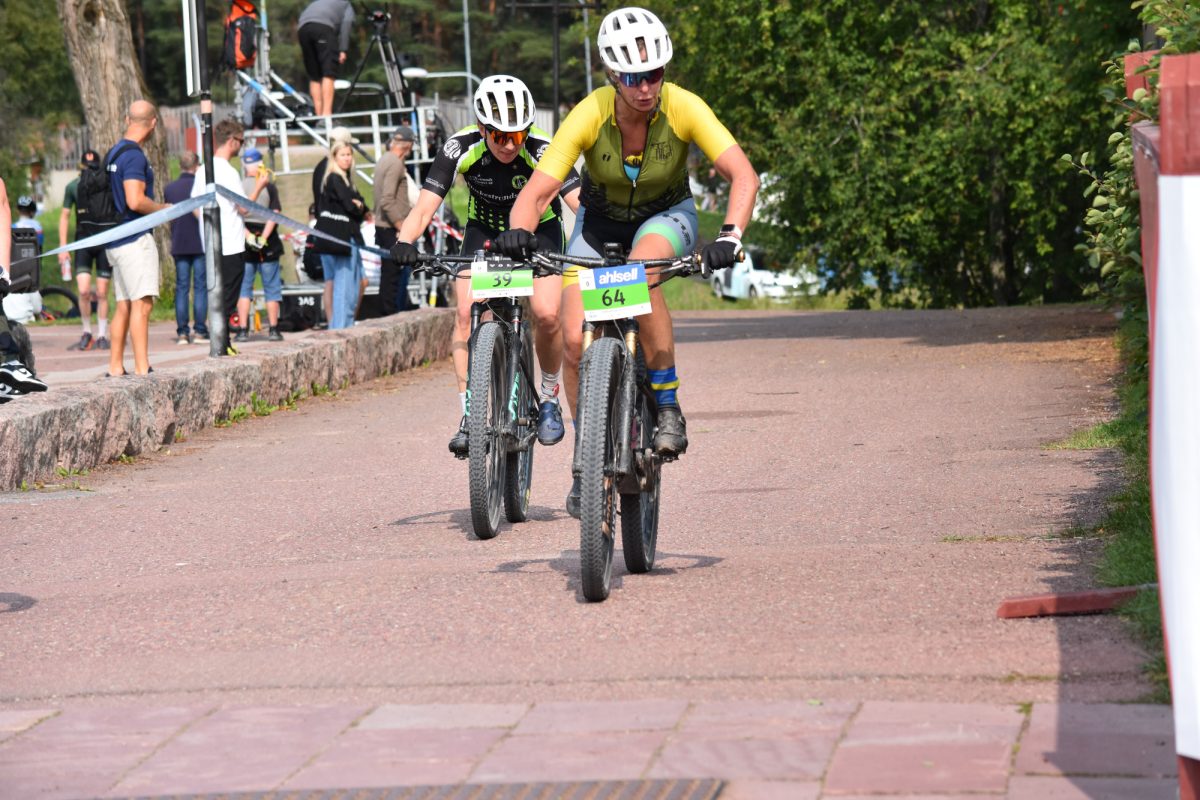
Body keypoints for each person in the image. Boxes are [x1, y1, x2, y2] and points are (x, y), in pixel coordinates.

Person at [497, 7, 760, 514]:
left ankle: (667, 403)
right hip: (598, 224)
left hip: (666, 216)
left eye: (654, 74)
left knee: (640, 274)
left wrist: (731, 236)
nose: (646, 87)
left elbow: (743, 175)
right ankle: (588, 456)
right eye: (634, 78)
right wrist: (519, 232)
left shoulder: (683, 106)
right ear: (613, 76)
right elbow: (537, 191)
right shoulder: (590, 112)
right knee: (573, 338)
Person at [391, 74, 581, 457]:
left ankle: (548, 397)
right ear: (481, 128)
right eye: (500, 136)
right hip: (486, 231)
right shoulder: (460, 147)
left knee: (547, 314)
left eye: (518, 135)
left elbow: (579, 201)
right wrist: (405, 242)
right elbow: (424, 208)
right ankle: (469, 415)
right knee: (465, 313)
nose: (510, 145)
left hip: (539, 232)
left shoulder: (542, 148)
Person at [105, 99, 173, 377]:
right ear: (153, 123)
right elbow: (135, 200)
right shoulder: (135, 156)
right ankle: (143, 368)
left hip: (115, 239)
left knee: (123, 305)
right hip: (134, 238)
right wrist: (163, 210)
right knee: (142, 304)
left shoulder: (114, 153)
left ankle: (115, 366)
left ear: (127, 120)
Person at [191, 119, 268, 354]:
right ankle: (222, 343)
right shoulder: (228, 171)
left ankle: (222, 342)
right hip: (231, 244)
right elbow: (244, 208)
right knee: (228, 296)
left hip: (210, 242)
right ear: (232, 141)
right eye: (241, 142)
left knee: (217, 293)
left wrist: (208, 226)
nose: (241, 147)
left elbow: (195, 207)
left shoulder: (203, 170)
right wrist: (259, 186)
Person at [0, 177, 49, 402]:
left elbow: (2, 203)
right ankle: (8, 363)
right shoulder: (36, 227)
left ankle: (8, 363)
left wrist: (3, 272)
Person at [59, 150, 113, 351]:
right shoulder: (73, 186)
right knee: (83, 291)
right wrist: (63, 247)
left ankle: (102, 334)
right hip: (82, 242)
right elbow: (65, 216)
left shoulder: (106, 185)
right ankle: (87, 331)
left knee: (102, 292)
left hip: (104, 242)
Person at [314, 140, 366, 329]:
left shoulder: (346, 178)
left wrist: (358, 204)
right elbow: (350, 205)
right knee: (344, 286)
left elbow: (360, 202)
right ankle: (340, 328)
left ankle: (344, 325)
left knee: (352, 284)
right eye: (342, 155)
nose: (347, 158)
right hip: (340, 238)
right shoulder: (335, 178)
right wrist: (357, 205)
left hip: (344, 237)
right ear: (334, 157)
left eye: (349, 154)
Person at [236, 148, 284, 342]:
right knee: (271, 287)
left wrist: (248, 235)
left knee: (244, 287)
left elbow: (235, 215)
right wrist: (263, 237)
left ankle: (242, 329)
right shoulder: (269, 187)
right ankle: (273, 328)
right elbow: (275, 213)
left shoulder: (239, 186)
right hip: (268, 239)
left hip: (245, 237)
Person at [164, 151, 208, 346]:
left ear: (180, 165)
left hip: (180, 242)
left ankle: (182, 332)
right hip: (200, 242)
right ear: (196, 166)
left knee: (182, 287)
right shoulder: (201, 187)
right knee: (200, 286)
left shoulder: (170, 189)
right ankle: (200, 330)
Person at [373, 126, 416, 315]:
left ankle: (389, 312)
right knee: (393, 279)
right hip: (391, 228)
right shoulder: (395, 164)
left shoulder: (384, 159)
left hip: (383, 226)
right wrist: (401, 226)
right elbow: (387, 200)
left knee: (389, 276)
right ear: (408, 145)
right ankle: (391, 315)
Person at [297, 0, 355, 119]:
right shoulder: (347, 5)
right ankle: (327, 115)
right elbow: (346, 27)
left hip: (303, 29)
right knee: (328, 72)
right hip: (323, 28)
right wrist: (343, 49)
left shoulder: (320, 2)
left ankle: (318, 117)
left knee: (314, 76)